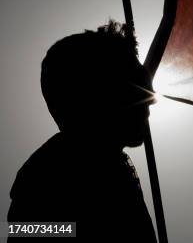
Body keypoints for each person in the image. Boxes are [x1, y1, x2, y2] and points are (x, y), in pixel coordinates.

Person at [7, 21, 158, 242]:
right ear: (94, 94)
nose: (152, 97)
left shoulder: (112, 164)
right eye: (138, 83)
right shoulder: (48, 174)